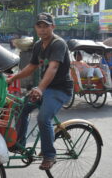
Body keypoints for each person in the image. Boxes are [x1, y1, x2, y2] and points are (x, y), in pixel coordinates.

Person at [7, 12, 73, 170]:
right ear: (36, 28)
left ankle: (50, 155)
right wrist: (12, 78)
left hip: (60, 89)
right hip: (45, 88)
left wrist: (40, 88)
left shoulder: (58, 44)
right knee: (21, 108)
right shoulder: (38, 45)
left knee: (43, 118)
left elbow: (53, 67)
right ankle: (19, 143)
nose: (42, 30)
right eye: (39, 26)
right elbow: (31, 67)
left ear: (53, 27)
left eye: (46, 26)